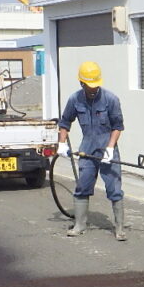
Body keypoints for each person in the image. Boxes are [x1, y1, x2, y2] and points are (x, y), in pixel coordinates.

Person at [57, 61, 127, 240]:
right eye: (90, 85)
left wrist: (110, 148)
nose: (94, 89)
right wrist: (62, 143)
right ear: (81, 83)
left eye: (96, 85)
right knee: (82, 186)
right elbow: (65, 122)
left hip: (107, 147)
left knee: (114, 188)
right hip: (87, 148)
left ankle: (119, 228)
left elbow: (117, 126)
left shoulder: (111, 99)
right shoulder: (75, 99)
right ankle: (80, 224)